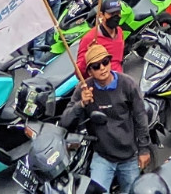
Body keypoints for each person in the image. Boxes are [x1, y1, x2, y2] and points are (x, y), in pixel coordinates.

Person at [60, 44, 150, 194]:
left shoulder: (127, 84)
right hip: (103, 157)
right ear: (89, 71)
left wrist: (144, 149)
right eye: (96, 66)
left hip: (129, 156)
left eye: (105, 62)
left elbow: (140, 117)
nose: (102, 68)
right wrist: (81, 104)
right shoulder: (83, 89)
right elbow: (65, 121)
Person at [76, 0, 126, 76]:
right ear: (101, 15)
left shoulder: (119, 32)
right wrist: (88, 54)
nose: (116, 17)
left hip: (119, 80)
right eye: (111, 14)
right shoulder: (89, 38)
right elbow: (79, 73)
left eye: (118, 13)